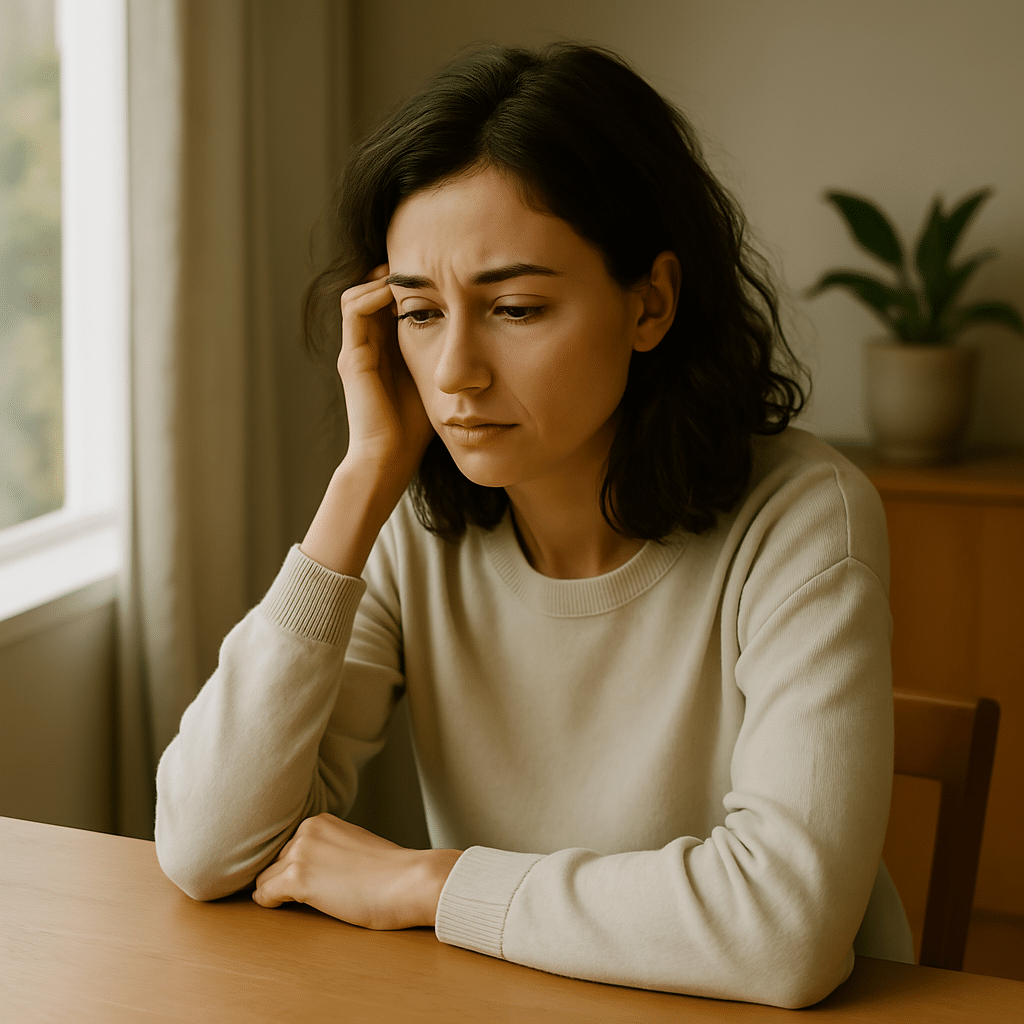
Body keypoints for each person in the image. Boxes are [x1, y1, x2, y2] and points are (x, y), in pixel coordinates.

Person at [154, 43, 914, 1008]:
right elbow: (206, 846)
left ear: (651, 303)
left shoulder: (804, 517)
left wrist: (429, 882)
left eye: (514, 307)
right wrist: (361, 481)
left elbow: (783, 933)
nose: (456, 372)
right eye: (420, 314)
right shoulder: (414, 521)